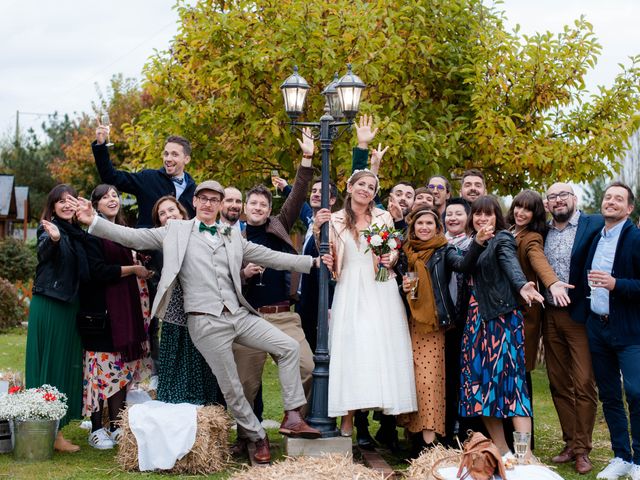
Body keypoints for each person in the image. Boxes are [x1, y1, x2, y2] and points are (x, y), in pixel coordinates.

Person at [75, 180, 330, 464]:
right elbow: (133, 237)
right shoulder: (175, 230)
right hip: (205, 322)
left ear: (220, 204)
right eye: (203, 199)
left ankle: (293, 415)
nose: (208, 204)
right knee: (232, 387)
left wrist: (311, 263)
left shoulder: (232, 235)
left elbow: (268, 255)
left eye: (214, 199)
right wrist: (94, 221)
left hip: (238, 314)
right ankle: (258, 436)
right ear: (195, 202)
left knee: (288, 347)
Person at [319, 169, 417, 438]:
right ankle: (347, 420)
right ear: (349, 187)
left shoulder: (383, 216)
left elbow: (393, 249)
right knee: (350, 351)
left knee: (378, 349)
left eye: (371, 186)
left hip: (380, 286)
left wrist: (392, 259)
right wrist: (320, 234)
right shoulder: (335, 219)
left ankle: (385, 413)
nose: (366, 189)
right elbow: (326, 250)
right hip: (350, 286)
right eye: (361, 184)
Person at [233, 128, 316, 430]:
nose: (258, 208)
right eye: (253, 204)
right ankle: (250, 436)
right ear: (245, 207)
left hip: (283, 316)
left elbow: (297, 196)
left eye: (263, 205)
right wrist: (243, 274)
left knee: (307, 367)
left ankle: (293, 421)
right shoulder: (233, 238)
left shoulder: (279, 226)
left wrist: (306, 159)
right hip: (248, 318)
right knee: (245, 383)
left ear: (270, 210)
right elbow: (222, 282)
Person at [396, 207, 490, 457]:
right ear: (412, 226)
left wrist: (478, 243)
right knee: (412, 381)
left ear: (438, 228)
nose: (424, 227)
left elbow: (463, 265)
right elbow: (393, 281)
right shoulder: (404, 251)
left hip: (431, 323)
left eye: (429, 223)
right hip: (405, 321)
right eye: (420, 223)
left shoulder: (444, 249)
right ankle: (414, 438)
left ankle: (430, 442)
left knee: (429, 382)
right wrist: (401, 285)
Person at [458, 196, 544, 461]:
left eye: (488, 214)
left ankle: (525, 453)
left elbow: (510, 263)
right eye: (477, 215)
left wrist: (522, 285)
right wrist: (477, 242)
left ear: (497, 217)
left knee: (513, 387)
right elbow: (464, 267)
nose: (482, 219)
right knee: (481, 388)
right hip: (476, 322)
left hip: (502, 321)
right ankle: (503, 449)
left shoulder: (503, 239)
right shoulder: (472, 244)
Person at [78, 184, 154, 449]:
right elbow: (98, 271)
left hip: (128, 314)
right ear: (95, 204)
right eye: (105, 197)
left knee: (120, 372)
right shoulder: (90, 234)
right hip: (102, 313)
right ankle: (97, 429)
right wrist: (133, 269)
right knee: (100, 372)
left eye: (115, 195)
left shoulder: (124, 233)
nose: (112, 199)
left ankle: (117, 425)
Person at [505, 189, 573, 452]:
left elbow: (537, 258)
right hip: (503, 316)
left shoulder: (531, 237)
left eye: (528, 209)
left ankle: (525, 445)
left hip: (523, 317)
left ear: (535, 214)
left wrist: (552, 282)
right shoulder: (509, 230)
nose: (521, 212)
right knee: (507, 379)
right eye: (518, 206)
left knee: (521, 381)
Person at [543, 182, 602, 474]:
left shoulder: (594, 224)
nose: (558, 200)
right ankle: (570, 443)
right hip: (549, 315)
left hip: (579, 316)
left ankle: (583, 449)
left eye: (563, 195)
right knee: (558, 383)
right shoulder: (544, 231)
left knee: (583, 383)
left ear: (574, 198)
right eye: (552, 196)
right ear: (547, 204)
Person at [583, 182, 640, 480]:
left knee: (637, 392)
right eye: (608, 198)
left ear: (629, 208)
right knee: (609, 394)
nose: (611, 202)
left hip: (629, 330)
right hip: (598, 327)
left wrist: (617, 284)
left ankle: (639, 461)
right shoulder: (597, 238)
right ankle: (621, 456)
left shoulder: (636, 238)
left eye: (619, 199)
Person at [25, 184, 88, 452]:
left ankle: (56, 429)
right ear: (52, 207)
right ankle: (49, 431)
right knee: (49, 364)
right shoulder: (48, 228)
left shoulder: (77, 232)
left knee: (64, 365)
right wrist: (52, 239)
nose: (65, 205)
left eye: (70, 201)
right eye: (60, 201)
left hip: (69, 305)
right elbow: (43, 253)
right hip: (50, 303)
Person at [150, 196, 225, 407]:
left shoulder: (201, 233)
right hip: (175, 309)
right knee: (176, 355)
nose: (167, 216)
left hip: (201, 308)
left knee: (200, 356)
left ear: (182, 212)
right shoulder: (163, 240)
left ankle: (203, 404)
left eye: (171, 210)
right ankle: (173, 403)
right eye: (162, 214)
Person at [92, 129, 196, 227]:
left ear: (186, 159)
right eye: (166, 154)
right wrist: (100, 146)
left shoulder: (195, 191)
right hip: (148, 244)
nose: (168, 159)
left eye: (174, 154)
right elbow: (110, 177)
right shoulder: (148, 178)